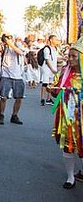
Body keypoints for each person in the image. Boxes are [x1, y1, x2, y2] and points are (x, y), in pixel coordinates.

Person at [47, 37, 83, 189]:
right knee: (68, 146)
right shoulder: (64, 72)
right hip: (67, 118)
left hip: (81, 117)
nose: (71, 59)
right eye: (70, 56)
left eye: (74, 56)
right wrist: (52, 90)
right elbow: (56, 91)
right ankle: (70, 177)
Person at [0, 33, 26, 125]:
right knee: (4, 97)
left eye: (10, 37)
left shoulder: (18, 45)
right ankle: (1, 115)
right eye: (7, 38)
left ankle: (14, 115)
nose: (8, 39)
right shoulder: (4, 47)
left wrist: (10, 43)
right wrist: (1, 41)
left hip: (18, 76)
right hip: (6, 75)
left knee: (19, 98)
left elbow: (20, 52)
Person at [41, 35, 60, 105]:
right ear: (51, 40)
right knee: (45, 83)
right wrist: (52, 69)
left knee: (51, 83)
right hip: (47, 68)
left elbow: (55, 58)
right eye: (55, 39)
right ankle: (42, 98)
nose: (56, 41)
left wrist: (63, 59)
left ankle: (49, 98)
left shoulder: (56, 48)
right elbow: (47, 60)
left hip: (53, 68)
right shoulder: (47, 49)